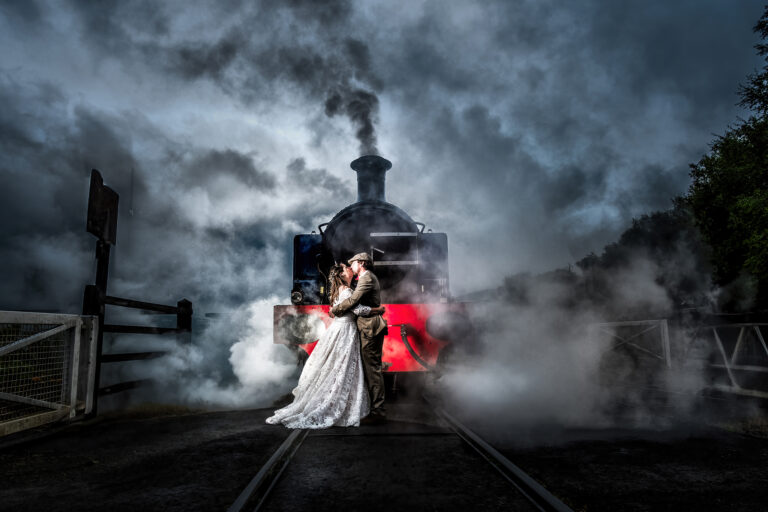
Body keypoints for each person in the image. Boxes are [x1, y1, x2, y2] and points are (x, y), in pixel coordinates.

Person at [266, 263, 384, 428]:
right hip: (345, 330)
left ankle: (332, 397)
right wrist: (378, 310)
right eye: (346, 267)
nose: (350, 267)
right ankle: (337, 402)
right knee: (343, 365)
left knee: (337, 365)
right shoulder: (348, 291)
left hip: (338, 328)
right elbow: (357, 310)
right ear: (342, 275)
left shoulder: (338, 290)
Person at [330, 252, 387, 423]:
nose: (350, 266)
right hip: (364, 326)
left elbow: (354, 301)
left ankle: (378, 411)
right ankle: (370, 407)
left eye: (352, 263)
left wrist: (335, 310)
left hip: (370, 327)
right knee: (368, 369)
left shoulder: (367, 278)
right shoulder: (360, 279)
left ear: (361, 263)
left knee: (372, 369)